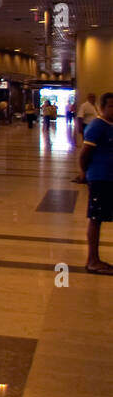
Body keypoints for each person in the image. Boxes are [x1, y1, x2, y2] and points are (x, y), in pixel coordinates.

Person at [75, 92, 113, 274]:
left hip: (110, 178)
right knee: (96, 219)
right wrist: (84, 173)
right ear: (102, 108)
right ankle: (92, 260)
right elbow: (84, 155)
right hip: (100, 178)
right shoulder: (97, 126)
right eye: (111, 106)